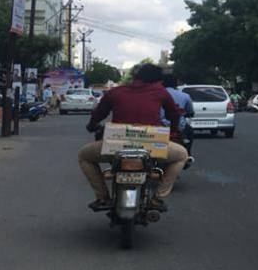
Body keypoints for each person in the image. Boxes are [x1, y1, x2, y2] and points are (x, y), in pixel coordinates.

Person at [79, 64, 187, 212]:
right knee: (182, 155)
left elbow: (99, 114)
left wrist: (91, 125)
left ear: (136, 77)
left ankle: (103, 197)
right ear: (157, 80)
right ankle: (158, 198)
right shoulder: (160, 92)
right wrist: (174, 131)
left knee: (84, 156)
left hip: (117, 148)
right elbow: (174, 115)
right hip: (151, 147)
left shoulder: (116, 91)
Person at [160, 74, 195, 163]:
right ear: (176, 84)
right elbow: (190, 111)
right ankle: (188, 154)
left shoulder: (157, 95)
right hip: (178, 127)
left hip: (159, 126)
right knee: (190, 131)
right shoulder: (185, 96)